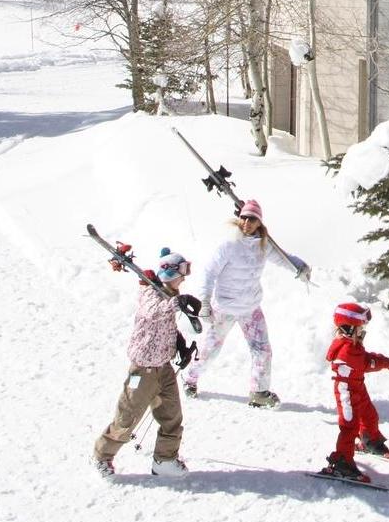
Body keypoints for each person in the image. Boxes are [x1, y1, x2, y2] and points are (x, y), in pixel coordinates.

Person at [183, 198, 307, 408]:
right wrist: (204, 302)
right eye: (244, 218)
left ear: (259, 223)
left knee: (262, 349)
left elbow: (282, 257)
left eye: (252, 219)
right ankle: (190, 379)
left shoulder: (263, 245)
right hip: (225, 307)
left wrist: (300, 267)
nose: (247, 223)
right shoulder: (228, 245)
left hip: (250, 307)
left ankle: (258, 392)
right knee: (210, 350)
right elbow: (209, 273)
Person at [93, 248, 200, 479]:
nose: (185, 276)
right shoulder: (151, 295)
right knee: (127, 418)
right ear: (171, 272)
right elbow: (153, 313)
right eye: (183, 271)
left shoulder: (168, 294)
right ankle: (102, 456)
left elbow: (164, 327)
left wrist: (179, 344)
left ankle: (165, 459)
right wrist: (177, 302)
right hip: (141, 371)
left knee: (172, 416)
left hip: (164, 369)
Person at [321, 302, 389, 482]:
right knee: (350, 426)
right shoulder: (347, 349)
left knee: (369, 414)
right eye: (360, 328)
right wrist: (385, 363)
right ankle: (342, 462)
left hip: (357, 386)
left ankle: (371, 441)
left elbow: (365, 358)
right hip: (346, 392)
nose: (362, 332)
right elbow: (366, 363)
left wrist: (385, 361)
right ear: (348, 328)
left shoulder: (352, 344)